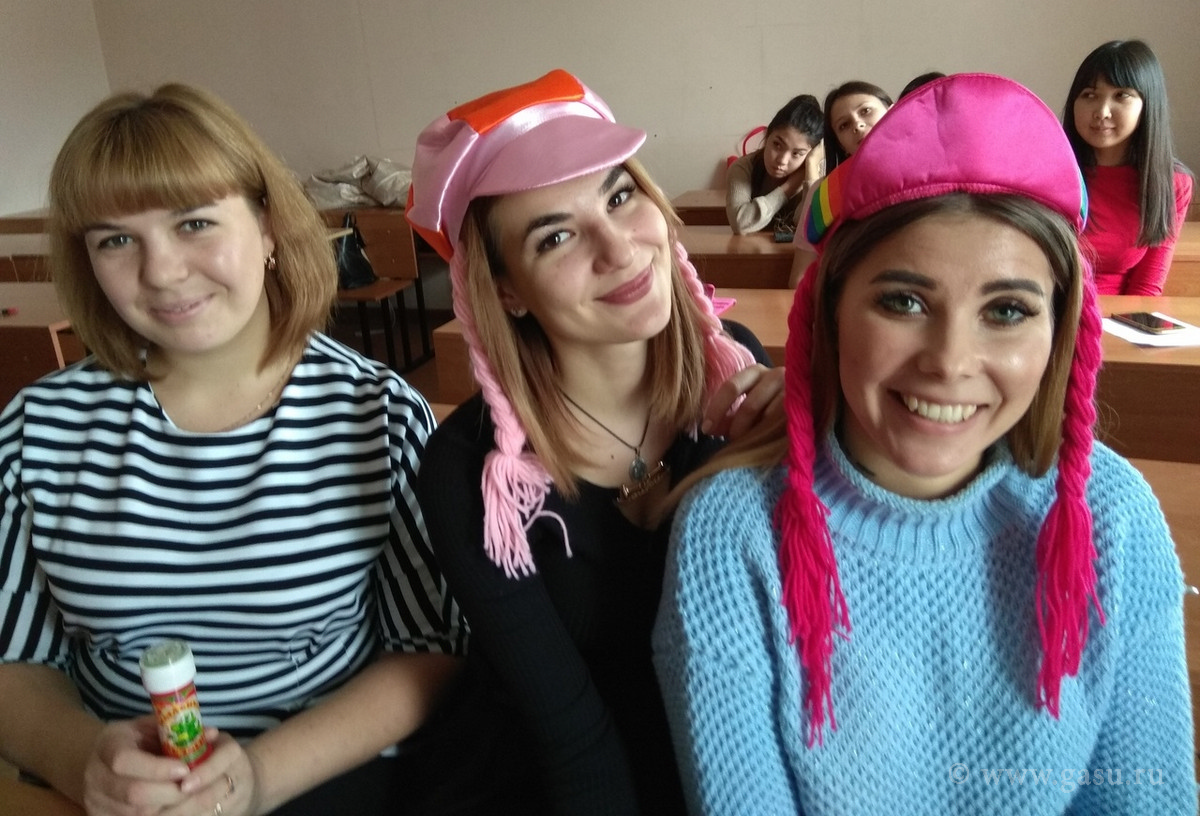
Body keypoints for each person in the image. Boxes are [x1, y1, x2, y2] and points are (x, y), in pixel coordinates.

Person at [654, 73, 1194, 815]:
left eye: (1008, 310)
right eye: (903, 301)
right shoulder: (734, 534)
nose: (950, 362)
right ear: (831, 309)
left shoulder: (1113, 516)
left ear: (1061, 328)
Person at [0, 84, 465, 816]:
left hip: (323, 777)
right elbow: (16, 655)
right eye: (115, 240)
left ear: (269, 226)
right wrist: (84, 760)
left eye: (194, 223)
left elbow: (429, 645)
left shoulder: (375, 414)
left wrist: (258, 775)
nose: (161, 271)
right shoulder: (37, 429)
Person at [404, 69, 778, 815]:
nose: (619, 248)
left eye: (619, 196)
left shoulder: (737, 375)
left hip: (723, 754)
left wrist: (812, 447)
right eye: (556, 236)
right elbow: (575, 742)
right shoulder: (470, 473)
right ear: (506, 290)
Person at [1063, 39, 1194, 295]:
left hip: (1117, 315)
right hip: (1049, 310)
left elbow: (1146, 287)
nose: (1102, 111)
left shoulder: (1173, 184)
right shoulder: (1048, 171)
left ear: (1148, 105)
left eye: (1121, 95)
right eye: (1089, 95)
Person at [787, 80, 894, 287]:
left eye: (866, 111)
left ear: (893, 112)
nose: (857, 125)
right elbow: (799, 279)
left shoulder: (933, 180)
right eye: (844, 125)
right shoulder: (825, 192)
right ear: (841, 145)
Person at [725, 94, 824, 235]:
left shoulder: (816, 175)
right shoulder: (743, 167)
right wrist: (790, 187)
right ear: (767, 136)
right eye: (777, 145)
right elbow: (740, 223)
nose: (782, 160)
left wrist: (812, 167)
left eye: (796, 153)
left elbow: (809, 227)